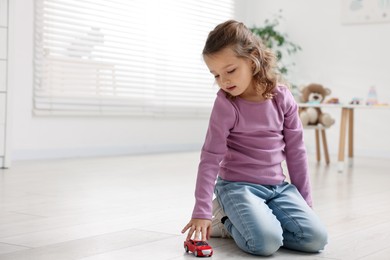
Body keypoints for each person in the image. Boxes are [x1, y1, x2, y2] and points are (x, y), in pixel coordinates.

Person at [181, 20, 328, 256]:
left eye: (230, 71)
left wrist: (305, 203)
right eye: (216, 75)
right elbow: (210, 157)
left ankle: (257, 221)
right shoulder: (225, 104)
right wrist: (201, 210)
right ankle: (225, 219)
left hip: (278, 187)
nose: (224, 81)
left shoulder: (282, 98)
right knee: (265, 244)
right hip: (238, 187)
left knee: (315, 239)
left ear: (253, 59)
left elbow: (296, 151)